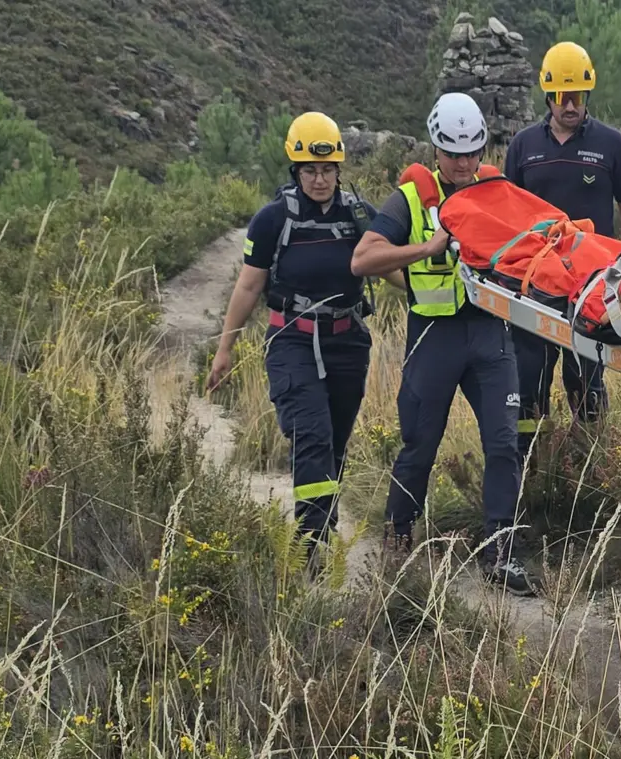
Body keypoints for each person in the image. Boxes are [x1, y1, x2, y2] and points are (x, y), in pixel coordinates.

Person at [351, 92, 536, 597]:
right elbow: (363, 260)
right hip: (433, 337)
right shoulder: (409, 199)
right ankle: (398, 541)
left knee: (503, 443)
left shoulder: (495, 191)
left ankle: (499, 553)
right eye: (453, 153)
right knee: (420, 446)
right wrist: (425, 249)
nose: (463, 162)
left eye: (472, 151)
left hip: (490, 335)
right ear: (435, 148)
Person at [207, 111, 376, 573]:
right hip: (291, 340)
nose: (319, 180)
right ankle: (311, 543)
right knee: (312, 435)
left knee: (335, 443)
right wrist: (225, 348)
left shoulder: (359, 216)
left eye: (327, 170)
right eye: (309, 171)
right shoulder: (271, 221)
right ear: (295, 171)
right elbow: (248, 287)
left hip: (347, 342)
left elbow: (392, 266)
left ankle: (322, 522)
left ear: (339, 169)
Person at [503, 40, 621, 464]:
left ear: (587, 96)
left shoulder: (611, 145)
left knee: (586, 377)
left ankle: (591, 465)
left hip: (592, 286)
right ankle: (529, 465)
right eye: (563, 97)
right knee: (529, 378)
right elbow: (508, 212)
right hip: (535, 286)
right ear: (548, 96)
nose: (570, 105)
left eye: (578, 97)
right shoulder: (523, 146)